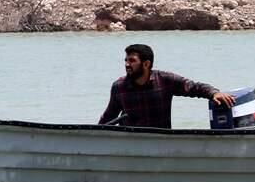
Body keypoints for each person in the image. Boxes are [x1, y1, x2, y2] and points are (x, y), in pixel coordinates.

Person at [99, 44, 235, 128]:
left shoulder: (165, 80)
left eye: (132, 61)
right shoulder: (119, 87)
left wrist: (214, 93)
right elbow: (108, 117)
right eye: (126, 60)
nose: (127, 64)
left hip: (161, 143)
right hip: (130, 145)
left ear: (146, 64)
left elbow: (194, 87)